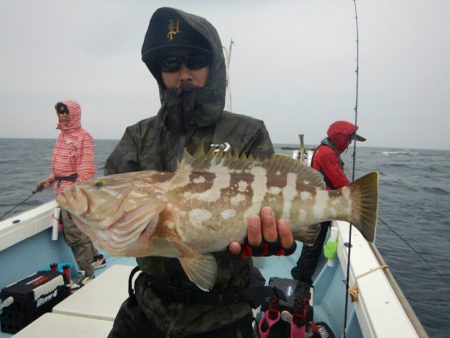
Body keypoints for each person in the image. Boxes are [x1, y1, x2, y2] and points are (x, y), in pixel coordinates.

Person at [104, 7, 296, 338]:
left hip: (223, 314)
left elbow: (274, 196)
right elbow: (118, 216)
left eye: (194, 61)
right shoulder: (137, 138)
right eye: (170, 65)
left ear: (213, 66)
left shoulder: (248, 132)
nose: (184, 73)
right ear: (158, 73)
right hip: (147, 307)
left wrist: (271, 240)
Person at [36, 100, 106, 288]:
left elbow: (87, 168)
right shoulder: (61, 137)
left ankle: (86, 273)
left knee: (75, 234)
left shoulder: (84, 137)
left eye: (66, 112)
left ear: (75, 113)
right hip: (61, 190)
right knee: (80, 229)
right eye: (60, 112)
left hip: (73, 193)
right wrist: (49, 180)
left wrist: (75, 191)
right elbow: (60, 167)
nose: (63, 115)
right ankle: (97, 258)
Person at [291, 120, 366, 284]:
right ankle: (301, 279)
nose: (349, 144)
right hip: (320, 207)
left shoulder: (327, 150)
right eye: (349, 139)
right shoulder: (326, 153)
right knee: (313, 247)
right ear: (340, 137)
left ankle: (299, 273)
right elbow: (339, 181)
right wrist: (359, 195)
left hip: (320, 203)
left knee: (312, 245)